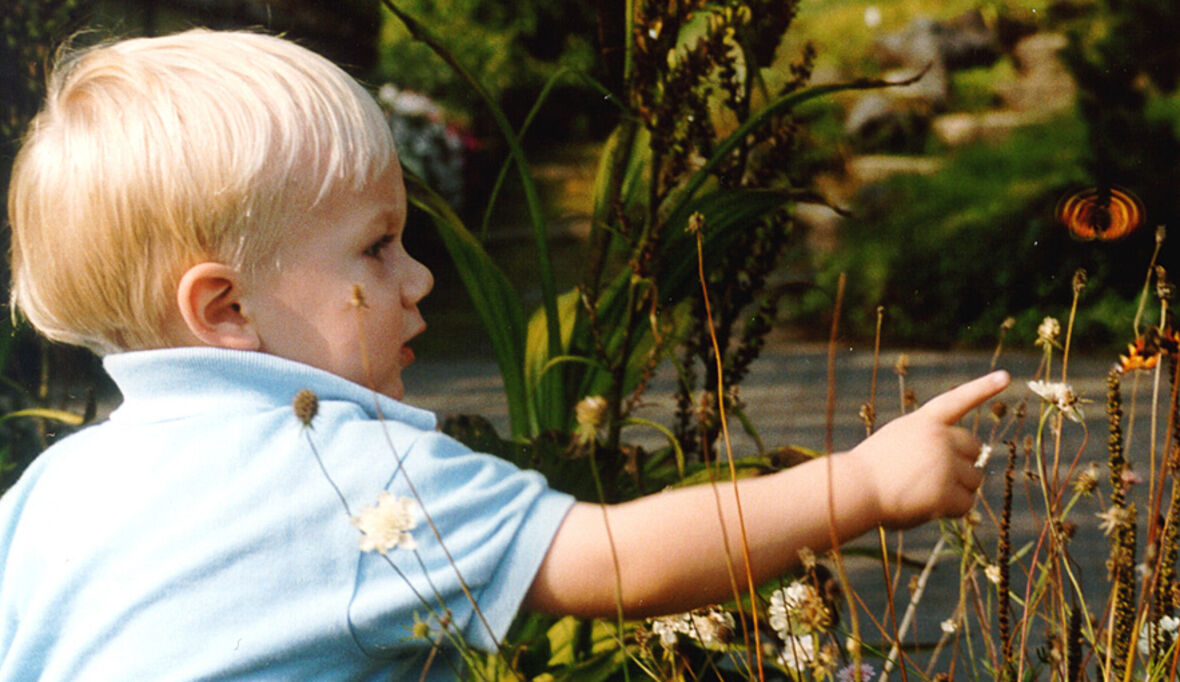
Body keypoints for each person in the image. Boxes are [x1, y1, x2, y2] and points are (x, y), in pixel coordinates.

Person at [0, 29, 1010, 680]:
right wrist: (863, 483)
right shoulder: (350, 477)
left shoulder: (50, 490)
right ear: (225, 308)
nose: (421, 278)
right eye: (377, 246)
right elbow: (621, 560)